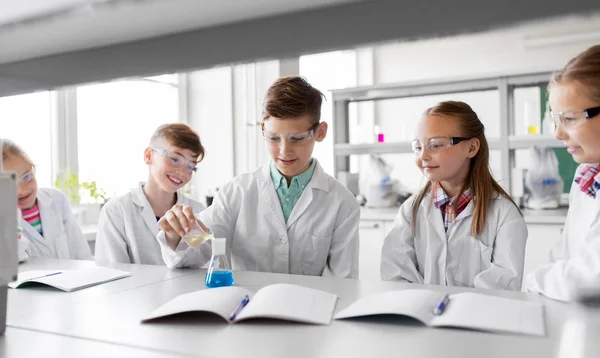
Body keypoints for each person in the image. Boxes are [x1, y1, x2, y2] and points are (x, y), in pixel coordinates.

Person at [157, 76, 360, 278]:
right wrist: (176, 233)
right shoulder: (237, 192)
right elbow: (200, 250)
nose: (284, 150)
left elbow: (343, 282)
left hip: (310, 308)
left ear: (320, 132)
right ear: (263, 129)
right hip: (246, 306)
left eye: (297, 139)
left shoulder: (342, 203)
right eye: (273, 138)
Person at [380, 101, 527, 290]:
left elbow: (504, 284)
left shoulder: (505, 214)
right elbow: (395, 275)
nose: (424, 156)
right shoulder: (411, 210)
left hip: (476, 317)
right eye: (418, 147)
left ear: (472, 148)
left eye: (435, 145)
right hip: (420, 314)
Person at [526, 45, 600, 301]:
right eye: (556, 120)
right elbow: (563, 256)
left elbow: (591, 278)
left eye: (569, 119)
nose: (558, 134)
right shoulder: (587, 176)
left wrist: (534, 280)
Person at [95, 123, 205, 265]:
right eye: (174, 159)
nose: (182, 172)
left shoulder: (198, 211)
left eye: (191, 167)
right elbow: (112, 274)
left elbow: (204, 267)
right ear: (148, 156)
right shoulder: (116, 211)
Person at [1, 138, 91, 260]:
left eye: (27, 176)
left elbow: (81, 252)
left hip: (72, 278)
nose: (21, 191)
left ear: (33, 169)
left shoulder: (57, 199)